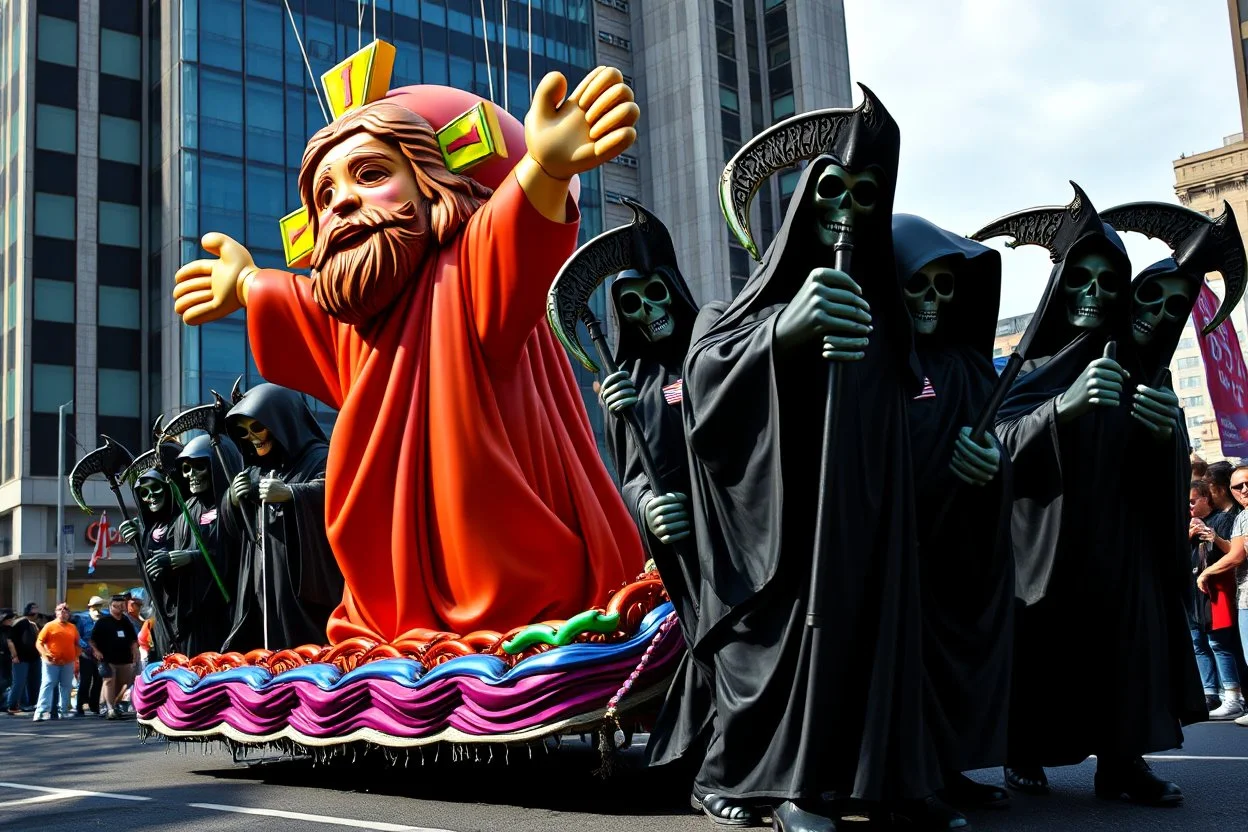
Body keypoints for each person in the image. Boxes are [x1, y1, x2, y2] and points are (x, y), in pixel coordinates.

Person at [171, 71, 643, 645]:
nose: (342, 201)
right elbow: (304, 307)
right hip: (386, 599)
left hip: (503, 581)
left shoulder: (465, 271)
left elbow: (510, 236)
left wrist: (544, 169)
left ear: (429, 185)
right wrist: (246, 282)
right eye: (325, 196)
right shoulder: (357, 325)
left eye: (370, 175)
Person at [684, 90, 961, 831]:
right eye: (831, 191)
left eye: (866, 196)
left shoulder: (885, 321)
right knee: (794, 642)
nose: (848, 209)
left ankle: (889, 776)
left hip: (867, 520)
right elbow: (709, 383)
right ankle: (782, 785)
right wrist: (783, 333)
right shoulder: (731, 314)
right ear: (803, 203)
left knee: (872, 636)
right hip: (783, 533)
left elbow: (910, 413)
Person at [991, 189, 1205, 804]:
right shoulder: (1026, 367)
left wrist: (1167, 435)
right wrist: (1065, 405)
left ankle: (1122, 759)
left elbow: (1164, 462)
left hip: (1122, 540)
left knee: (1123, 646)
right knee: (1041, 647)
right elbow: (996, 441)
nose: (1093, 293)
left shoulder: (1144, 371)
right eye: (1080, 278)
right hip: (1044, 542)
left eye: (1109, 282)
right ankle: (1023, 748)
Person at [893, 214, 1015, 810]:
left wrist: (991, 465)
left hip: (958, 551)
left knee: (955, 663)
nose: (934, 300)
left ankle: (953, 765)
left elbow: (1003, 443)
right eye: (918, 284)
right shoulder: (878, 360)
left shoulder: (968, 366)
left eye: (945, 286)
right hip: (898, 545)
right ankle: (914, 777)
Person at [221, 384, 341, 652]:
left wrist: (291, 494)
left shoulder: (318, 457)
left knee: (302, 644)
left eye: (257, 428)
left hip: (300, 577)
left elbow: (334, 492)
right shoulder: (255, 468)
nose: (251, 438)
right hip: (260, 574)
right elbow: (232, 528)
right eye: (243, 432)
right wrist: (232, 499)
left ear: (281, 423)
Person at [1188, 479, 1243, 717]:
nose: (1189, 506)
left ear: (1206, 498)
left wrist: (1213, 537)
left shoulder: (1223, 519)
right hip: (1192, 593)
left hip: (1217, 591)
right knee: (1198, 643)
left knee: (1219, 643)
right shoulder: (1186, 524)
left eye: (1192, 501)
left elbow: (1235, 552)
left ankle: (1232, 695)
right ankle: (1210, 693)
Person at [89, 595, 138, 720]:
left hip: (125, 658)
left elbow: (133, 640)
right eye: (118, 605)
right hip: (107, 658)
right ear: (112, 606)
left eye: (123, 605)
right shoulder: (102, 622)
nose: (121, 607)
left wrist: (135, 652)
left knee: (124, 683)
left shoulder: (126, 621)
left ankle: (106, 704)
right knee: (109, 681)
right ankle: (110, 709)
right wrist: (96, 651)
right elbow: (92, 640)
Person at [33, 603, 79, 721]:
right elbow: (39, 642)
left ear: (69, 614)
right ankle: (41, 712)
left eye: (66, 610)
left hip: (68, 662)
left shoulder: (72, 627)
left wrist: (75, 656)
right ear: (56, 612)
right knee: (47, 684)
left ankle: (63, 711)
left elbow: (78, 644)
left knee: (66, 686)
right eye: (60, 609)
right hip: (51, 662)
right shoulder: (49, 626)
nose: (63, 611)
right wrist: (44, 654)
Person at [70, 597, 104, 716]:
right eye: (95, 606)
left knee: (98, 680)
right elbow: (77, 636)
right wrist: (87, 648)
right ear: (89, 607)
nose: (97, 608)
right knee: (85, 680)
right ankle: (80, 706)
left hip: (101, 652)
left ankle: (94, 705)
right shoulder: (82, 618)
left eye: (99, 605)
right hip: (86, 653)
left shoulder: (104, 618)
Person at [6, 603, 40, 713]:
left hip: (34, 658)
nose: (36, 611)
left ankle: (33, 703)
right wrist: (14, 655)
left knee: (35, 681)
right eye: (33, 608)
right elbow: (10, 640)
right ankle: (12, 705)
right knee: (19, 682)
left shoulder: (34, 625)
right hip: (21, 658)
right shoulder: (19, 622)